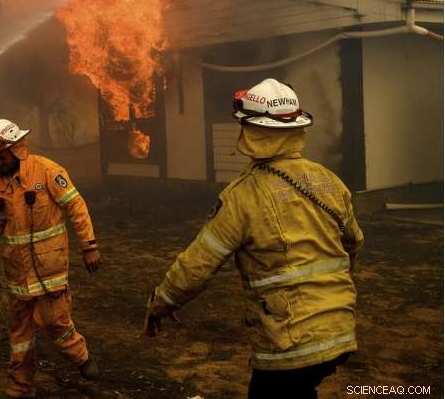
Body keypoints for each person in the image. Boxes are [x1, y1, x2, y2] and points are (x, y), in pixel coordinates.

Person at [144, 78, 365, 399]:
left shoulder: (242, 196)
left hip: (289, 342)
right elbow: (354, 243)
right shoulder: (328, 180)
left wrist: (161, 303)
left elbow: (198, 265)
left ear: (250, 131)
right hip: (340, 329)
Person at [0, 118, 101, 398]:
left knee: (54, 321)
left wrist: (89, 246)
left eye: (0, 156)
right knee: (19, 334)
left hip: (48, 269)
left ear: (16, 148)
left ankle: (80, 357)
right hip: (17, 272)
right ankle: (19, 387)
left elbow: (76, 206)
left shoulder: (47, 171)